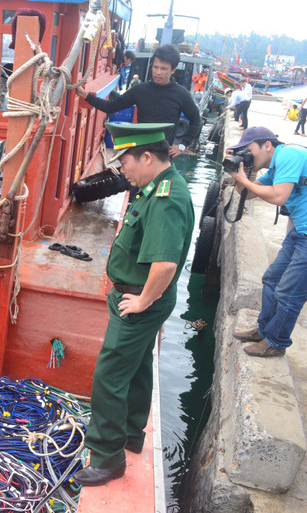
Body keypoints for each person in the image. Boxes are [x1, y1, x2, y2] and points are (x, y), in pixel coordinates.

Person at [73, 122, 194, 486]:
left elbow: (166, 264)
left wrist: (143, 300)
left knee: (109, 375)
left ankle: (107, 457)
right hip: (134, 294)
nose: (120, 169)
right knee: (138, 366)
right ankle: (130, 435)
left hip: (139, 299)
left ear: (145, 156)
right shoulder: (153, 185)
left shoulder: (167, 197)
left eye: (124, 161)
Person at [229, 127, 307, 357]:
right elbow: (248, 194)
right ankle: (265, 331)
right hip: (301, 231)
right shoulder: (276, 167)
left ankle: (276, 343)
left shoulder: (289, 155)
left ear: (267, 145)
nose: (248, 155)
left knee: (289, 292)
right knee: (272, 279)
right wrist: (240, 173)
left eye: (249, 151)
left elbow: (278, 197)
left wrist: (244, 180)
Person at [76, 44, 201, 158]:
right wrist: (86, 95)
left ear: (173, 70)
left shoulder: (181, 94)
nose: (158, 72)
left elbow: (196, 121)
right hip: (139, 154)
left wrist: (182, 146)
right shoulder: (140, 90)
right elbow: (111, 107)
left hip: (163, 157)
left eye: (163, 69)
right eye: (156, 67)